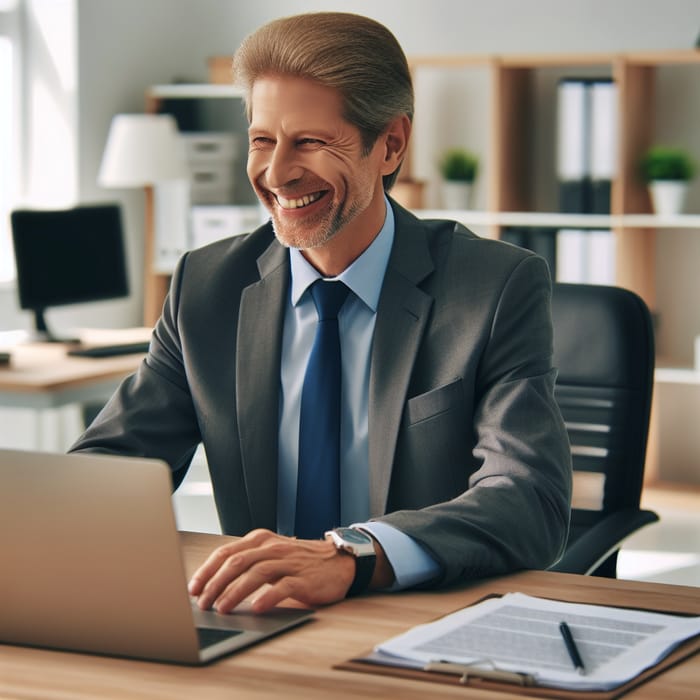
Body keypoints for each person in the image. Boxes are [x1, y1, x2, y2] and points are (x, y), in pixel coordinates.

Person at [71, 12, 571, 615]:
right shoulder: (207, 286)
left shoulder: (494, 286)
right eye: (262, 140)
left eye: (310, 141)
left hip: (418, 614)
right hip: (263, 616)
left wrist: (353, 556)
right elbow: (113, 465)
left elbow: (528, 498)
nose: (277, 173)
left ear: (390, 145)